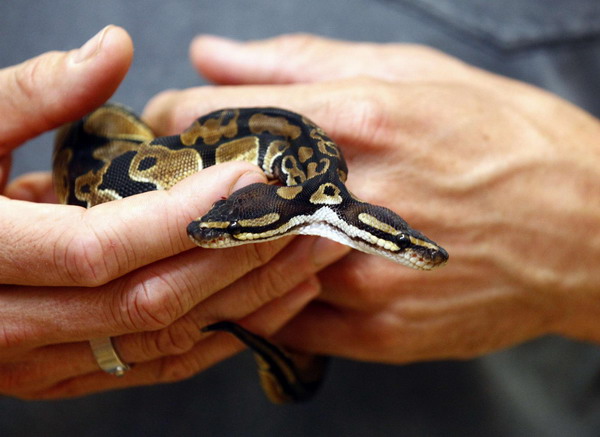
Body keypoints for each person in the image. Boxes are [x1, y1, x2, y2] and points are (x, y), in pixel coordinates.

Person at [1, 24, 599, 421]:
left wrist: (582, 238)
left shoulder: (317, 195)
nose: (211, 235)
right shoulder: (307, 190)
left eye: (232, 231)